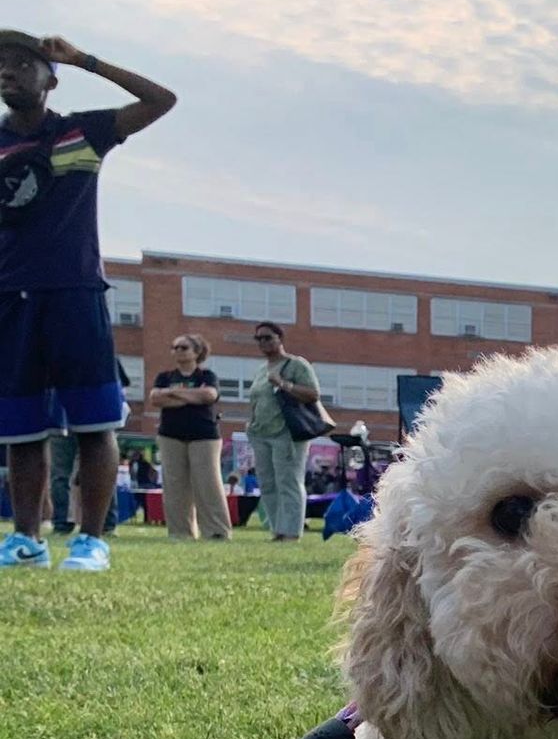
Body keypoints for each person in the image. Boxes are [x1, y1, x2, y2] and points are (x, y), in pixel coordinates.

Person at [0, 32, 175, 570]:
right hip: (11, 298)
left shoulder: (83, 132)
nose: (6, 70)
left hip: (76, 294)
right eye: (0, 63)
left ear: (51, 79)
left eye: (22, 62)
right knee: (22, 430)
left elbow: (161, 100)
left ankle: (90, 541)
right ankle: (26, 539)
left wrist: (85, 60)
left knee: (94, 425)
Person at [247, 321, 325, 542]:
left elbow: (313, 394)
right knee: (268, 483)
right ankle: (277, 529)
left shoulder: (296, 365)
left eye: (268, 337)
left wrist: (284, 384)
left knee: (288, 481)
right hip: (260, 433)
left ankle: (291, 532)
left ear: (280, 339)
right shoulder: (262, 370)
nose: (263, 342)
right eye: (259, 338)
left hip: (287, 432)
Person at [149, 332, 228, 541]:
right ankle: (180, 533)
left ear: (197, 352)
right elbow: (155, 398)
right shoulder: (165, 377)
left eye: (183, 347)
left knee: (207, 484)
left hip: (204, 435)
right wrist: (192, 397)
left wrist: (173, 394)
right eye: (174, 347)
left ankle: (216, 531)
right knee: (175, 485)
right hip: (170, 435)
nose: (177, 351)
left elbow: (209, 395)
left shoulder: (207, 376)